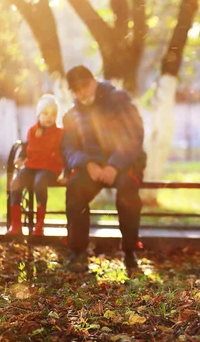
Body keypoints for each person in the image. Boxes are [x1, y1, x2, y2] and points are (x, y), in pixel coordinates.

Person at [61, 66, 146, 273]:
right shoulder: (71, 115)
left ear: (94, 81)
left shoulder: (119, 101)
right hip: (92, 167)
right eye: (76, 89)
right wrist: (86, 164)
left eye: (85, 85)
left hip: (125, 163)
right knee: (75, 189)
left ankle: (129, 251)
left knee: (128, 191)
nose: (83, 92)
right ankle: (78, 252)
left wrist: (114, 166)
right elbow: (69, 147)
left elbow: (134, 136)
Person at [7, 94, 64, 236]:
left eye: (53, 114)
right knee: (16, 182)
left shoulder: (59, 133)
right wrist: (20, 158)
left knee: (40, 183)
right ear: (38, 114)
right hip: (32, 166)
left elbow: (63, 152)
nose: (49, 117)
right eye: (45, 113)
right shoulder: (32, 131)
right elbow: (28, 147)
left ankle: (39, 225)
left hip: (49, 168)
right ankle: (16, 225)